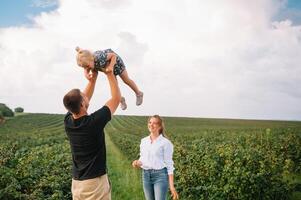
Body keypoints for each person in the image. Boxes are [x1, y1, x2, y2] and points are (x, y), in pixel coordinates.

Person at [63, 55, 121, 200]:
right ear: (83, 104)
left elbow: (80, 99)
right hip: (94, 184)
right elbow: (116, 99)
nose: (85, 94)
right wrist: (110, 73)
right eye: (83, 96)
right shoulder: (93, 123)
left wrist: (92, 79)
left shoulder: (68, 122)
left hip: (77, 183)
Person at [75, 46, 143, 110]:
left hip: (116, 63)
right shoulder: (88, 62)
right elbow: (86, 68)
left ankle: (138, 93)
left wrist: (111, 66)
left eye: (87, 66)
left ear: (92, 59)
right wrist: (86, 74)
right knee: (114, 86)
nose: (87, 68)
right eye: (84, 67)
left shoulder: (99, 57)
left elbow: (113, 55)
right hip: (107, 69)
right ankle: (120, 99)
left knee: (126, 80)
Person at [132, 115, 179, 200]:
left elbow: (169, 165)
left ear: (160, 126)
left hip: (160, 176)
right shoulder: (144, 141)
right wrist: (137, 162)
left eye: (155, 123)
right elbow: (142, 158)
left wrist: (172, 187)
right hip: (145, 175)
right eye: (150, 122)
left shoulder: (166, 143)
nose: (151, 125)